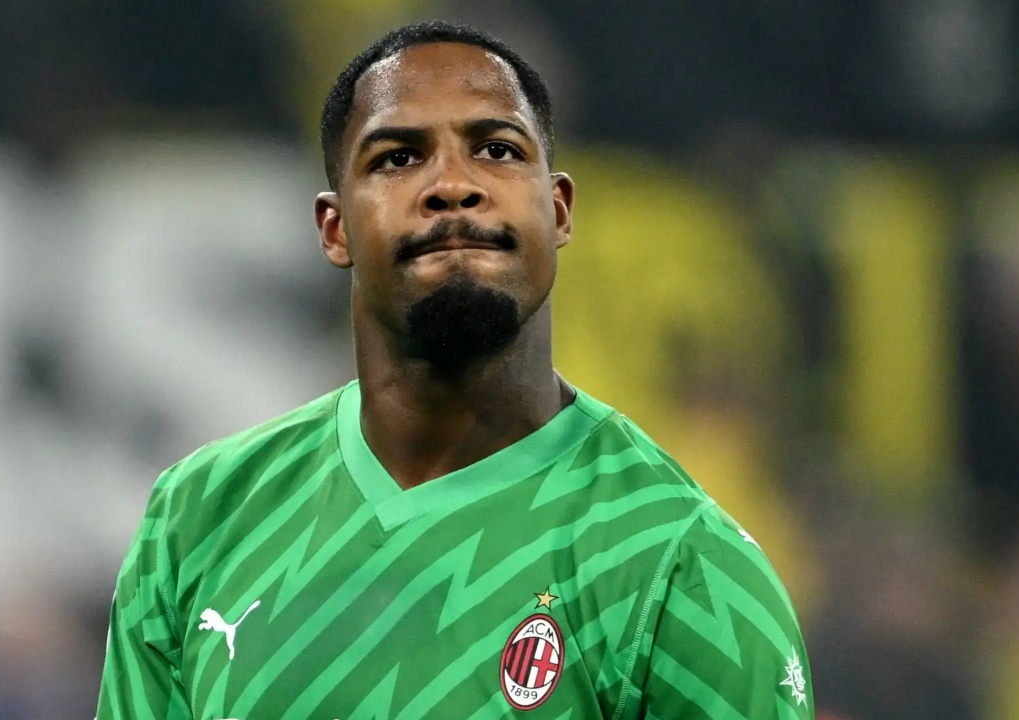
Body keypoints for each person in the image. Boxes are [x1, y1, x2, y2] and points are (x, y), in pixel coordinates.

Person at [96, 20, 813, 719]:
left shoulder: (680, 563)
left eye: (497, 150)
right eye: (397, 158)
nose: (451, 184)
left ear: (559, 210)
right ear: (335, 228)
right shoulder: (200, 518)